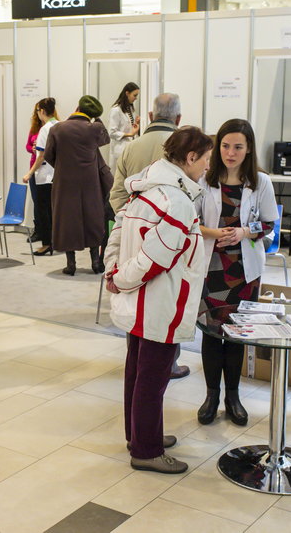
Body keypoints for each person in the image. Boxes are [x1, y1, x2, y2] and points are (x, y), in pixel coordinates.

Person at [104, 126, 213, 474]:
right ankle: (146, 450)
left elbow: (117, 234)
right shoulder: (176, 201)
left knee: (137, 373)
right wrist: (120, 279)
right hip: (160, 303)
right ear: (190, 158)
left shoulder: (144, 190)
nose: (208, 167)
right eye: (206, 159)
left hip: (142, 302)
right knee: (152, 378)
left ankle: (139, 435)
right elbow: (155, 258)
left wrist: (113, 273)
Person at [195, 118, 278, 427]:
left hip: (245, 271)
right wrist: (215, 233)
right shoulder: (205, 180)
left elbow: (270, 224)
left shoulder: (260, 182)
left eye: (238, 147)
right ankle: (211, 396)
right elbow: (191, 222)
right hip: (212, 268)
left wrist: (244, 232)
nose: (230, 153)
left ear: (248, 149)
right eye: (225, 146)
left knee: (236, 335)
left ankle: (233, 396)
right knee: (211, 334)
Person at [108, 92, 189, 379]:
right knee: (167, 303)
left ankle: (137, 359)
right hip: (170, 243)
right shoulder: (183, 150)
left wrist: (130, 220)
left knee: (135, 300)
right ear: (179, 119)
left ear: (152, 117)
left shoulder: (131, 147)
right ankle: (169, 364)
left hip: (133, 240)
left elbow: (117, 193)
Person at [44, 95, 112, 276]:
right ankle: (96, 263)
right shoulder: (94, 128)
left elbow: (48, 156)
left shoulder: (57, 129)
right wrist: (97, 119)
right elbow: (106, 139)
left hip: (64, 183)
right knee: (93, 217)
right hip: (90, 183)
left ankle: (71, 264)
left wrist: (63, 167)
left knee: (67, 220)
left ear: (77, 107)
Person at [23, 98, 59, 256]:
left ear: (42, 111)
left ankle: (46, 244)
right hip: (56, 175)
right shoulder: (59, 125)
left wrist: (29, 173)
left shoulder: (45, 129)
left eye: (38, 111)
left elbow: (41, 155)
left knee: (43, 210)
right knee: (52, 211)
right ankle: (54, 242)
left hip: (44, 176)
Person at [107, 82, 140, 173]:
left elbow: (126, 126)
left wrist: (135, 123)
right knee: (119, 179)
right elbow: (112, 133)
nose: (136, 98)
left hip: (129, 148)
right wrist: (130, 134)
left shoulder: (129, 109)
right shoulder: (116, 110)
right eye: (135, 95)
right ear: (127, 93)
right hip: (119, 150)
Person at [23, 102, 44, 243]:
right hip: (33, 168)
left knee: (46, 203)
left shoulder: (51, 128)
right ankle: (38, 230)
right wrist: (34, 148)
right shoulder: (35, 128)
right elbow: (27, 145)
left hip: (46, 169)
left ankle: (48, 232)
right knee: (37, 201)